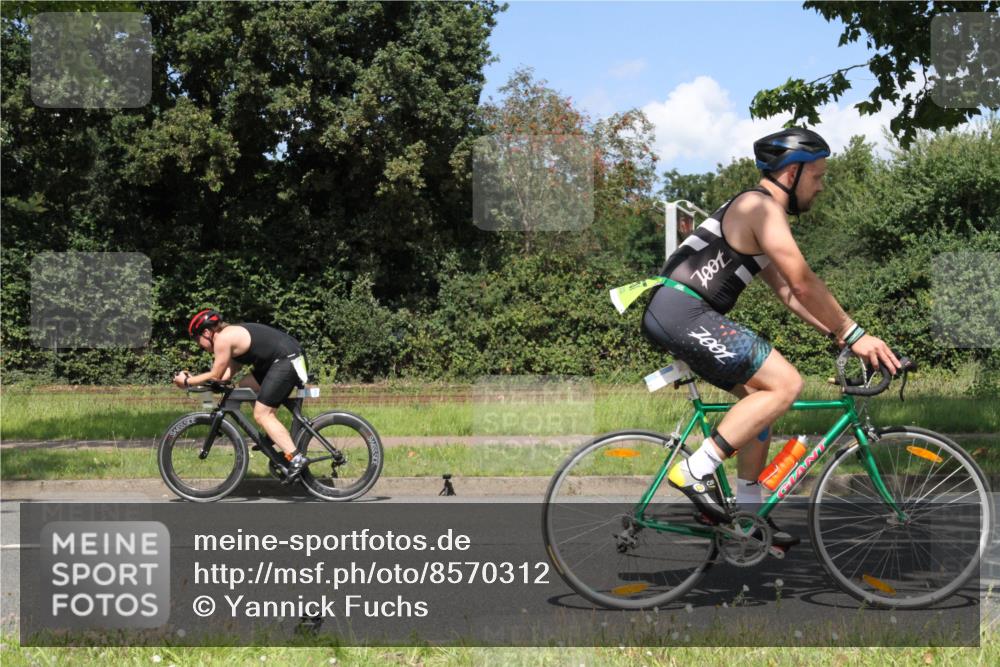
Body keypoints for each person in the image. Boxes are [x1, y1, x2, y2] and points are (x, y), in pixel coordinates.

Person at [641, 127, 901, 547]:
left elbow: (788, 293)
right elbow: (802, 280)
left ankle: (748, 517)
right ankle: (694, 470)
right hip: (682, 312)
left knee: (761, 404)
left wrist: (834, 333)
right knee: (787, 383)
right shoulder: (760, 208)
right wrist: (854, 333)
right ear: (792, 173)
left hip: (680, 312)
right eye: (817, 176)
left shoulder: (757, 212)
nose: (821, 187)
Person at [174, 310, 310, 480]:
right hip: (283, 359)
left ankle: (296, 458)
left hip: (287, 360)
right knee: (246, 384)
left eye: (197, 339)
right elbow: (225, 375)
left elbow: (215, 374)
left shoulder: (222, 339)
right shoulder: (230, 336)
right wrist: (207, 383)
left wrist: (187, 381)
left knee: (262, 414)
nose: (199, 345)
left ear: (207, 332)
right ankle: (273, 433)